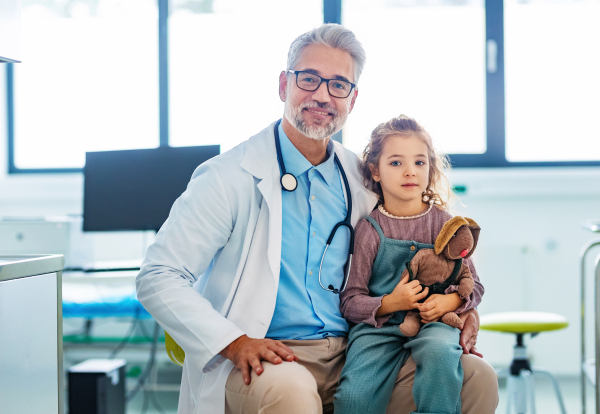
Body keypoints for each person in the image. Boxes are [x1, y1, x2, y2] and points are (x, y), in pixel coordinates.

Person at [136, 24, 498, 414]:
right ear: (283, 85)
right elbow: (157, 276)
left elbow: (416, 260)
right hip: (270, 356)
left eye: (338, 85)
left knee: (476, 377)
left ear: (352, 99)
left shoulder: (362, 178)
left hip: (356, 351)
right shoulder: (227, 177)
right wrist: (235, 342)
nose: (323, 95)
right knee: (292, 393)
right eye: (309, 79)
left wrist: (460, 307)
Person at [334, 115, 486, 414]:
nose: (409, 172)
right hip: (377, 330)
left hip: (435, 323)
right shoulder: (368, 230)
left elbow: (475, 286)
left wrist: (450, 301)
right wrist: (391, 302)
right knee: (352, 399)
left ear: (430, 170)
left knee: (441, 353)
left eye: (419, 162)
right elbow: (350, 301)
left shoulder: (446, 224)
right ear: (375, 171)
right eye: (395, 163)